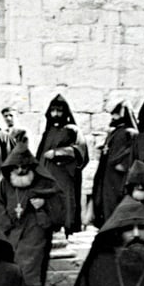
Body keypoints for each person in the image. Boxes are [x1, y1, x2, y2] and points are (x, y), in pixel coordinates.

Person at [0, 144, 64, 286]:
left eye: (24, 167)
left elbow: (58, 204)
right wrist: (4, 225)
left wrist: (43, 205)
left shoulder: (45, 182)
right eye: (16, 167)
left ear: (31, 166)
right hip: (11, 230)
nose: (20, 170)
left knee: (28, 268)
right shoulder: (5, 183)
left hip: (34, 230)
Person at [35, 93, 89, 235]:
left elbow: (80, 150)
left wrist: (57, 153)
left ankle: (66, 232)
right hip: (46, 175)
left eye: (59, 111)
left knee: (64, 204)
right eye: (53, 111)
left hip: (63, 175)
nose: (56, 114)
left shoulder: (72, 130)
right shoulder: (48, 131)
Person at [91, 102, 138, 227]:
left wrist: (124, 164)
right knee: (106, 206)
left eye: (116, 115)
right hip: (107, 178)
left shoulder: (130, 133)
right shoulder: (114, 132)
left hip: (119, 179)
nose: (113, 118)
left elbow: (133, 153)